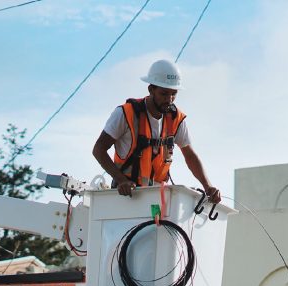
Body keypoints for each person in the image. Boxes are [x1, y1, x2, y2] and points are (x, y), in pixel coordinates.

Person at [92, 59, 221, 203]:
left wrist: (208, 186)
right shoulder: (126, 113)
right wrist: (121, 180)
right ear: (151, 89)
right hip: (126, 197)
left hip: (157, 197)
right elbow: (99, 149)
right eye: (164, 94)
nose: (169, 99)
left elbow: (190, 155)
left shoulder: (175, 118)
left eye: (174, 94)